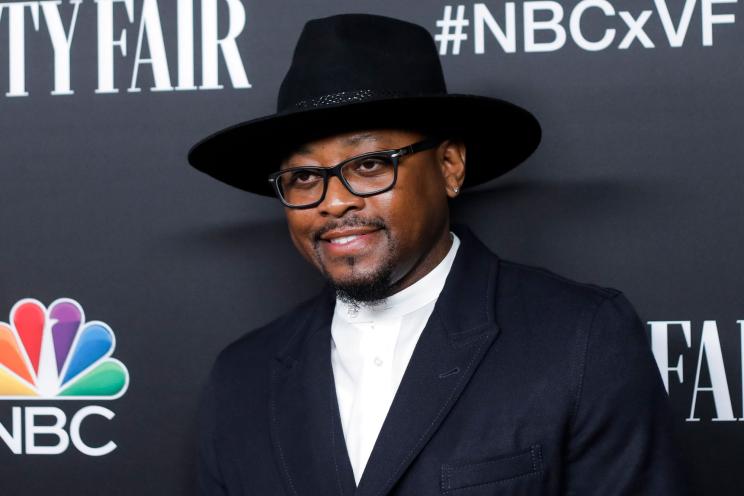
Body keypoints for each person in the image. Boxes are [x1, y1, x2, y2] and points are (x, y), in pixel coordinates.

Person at [188, 13, 686, 496]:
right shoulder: (241, 378)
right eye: (302, 177)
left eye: (368, 164)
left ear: (449, 166)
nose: (334, 201)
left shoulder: (581, 338)